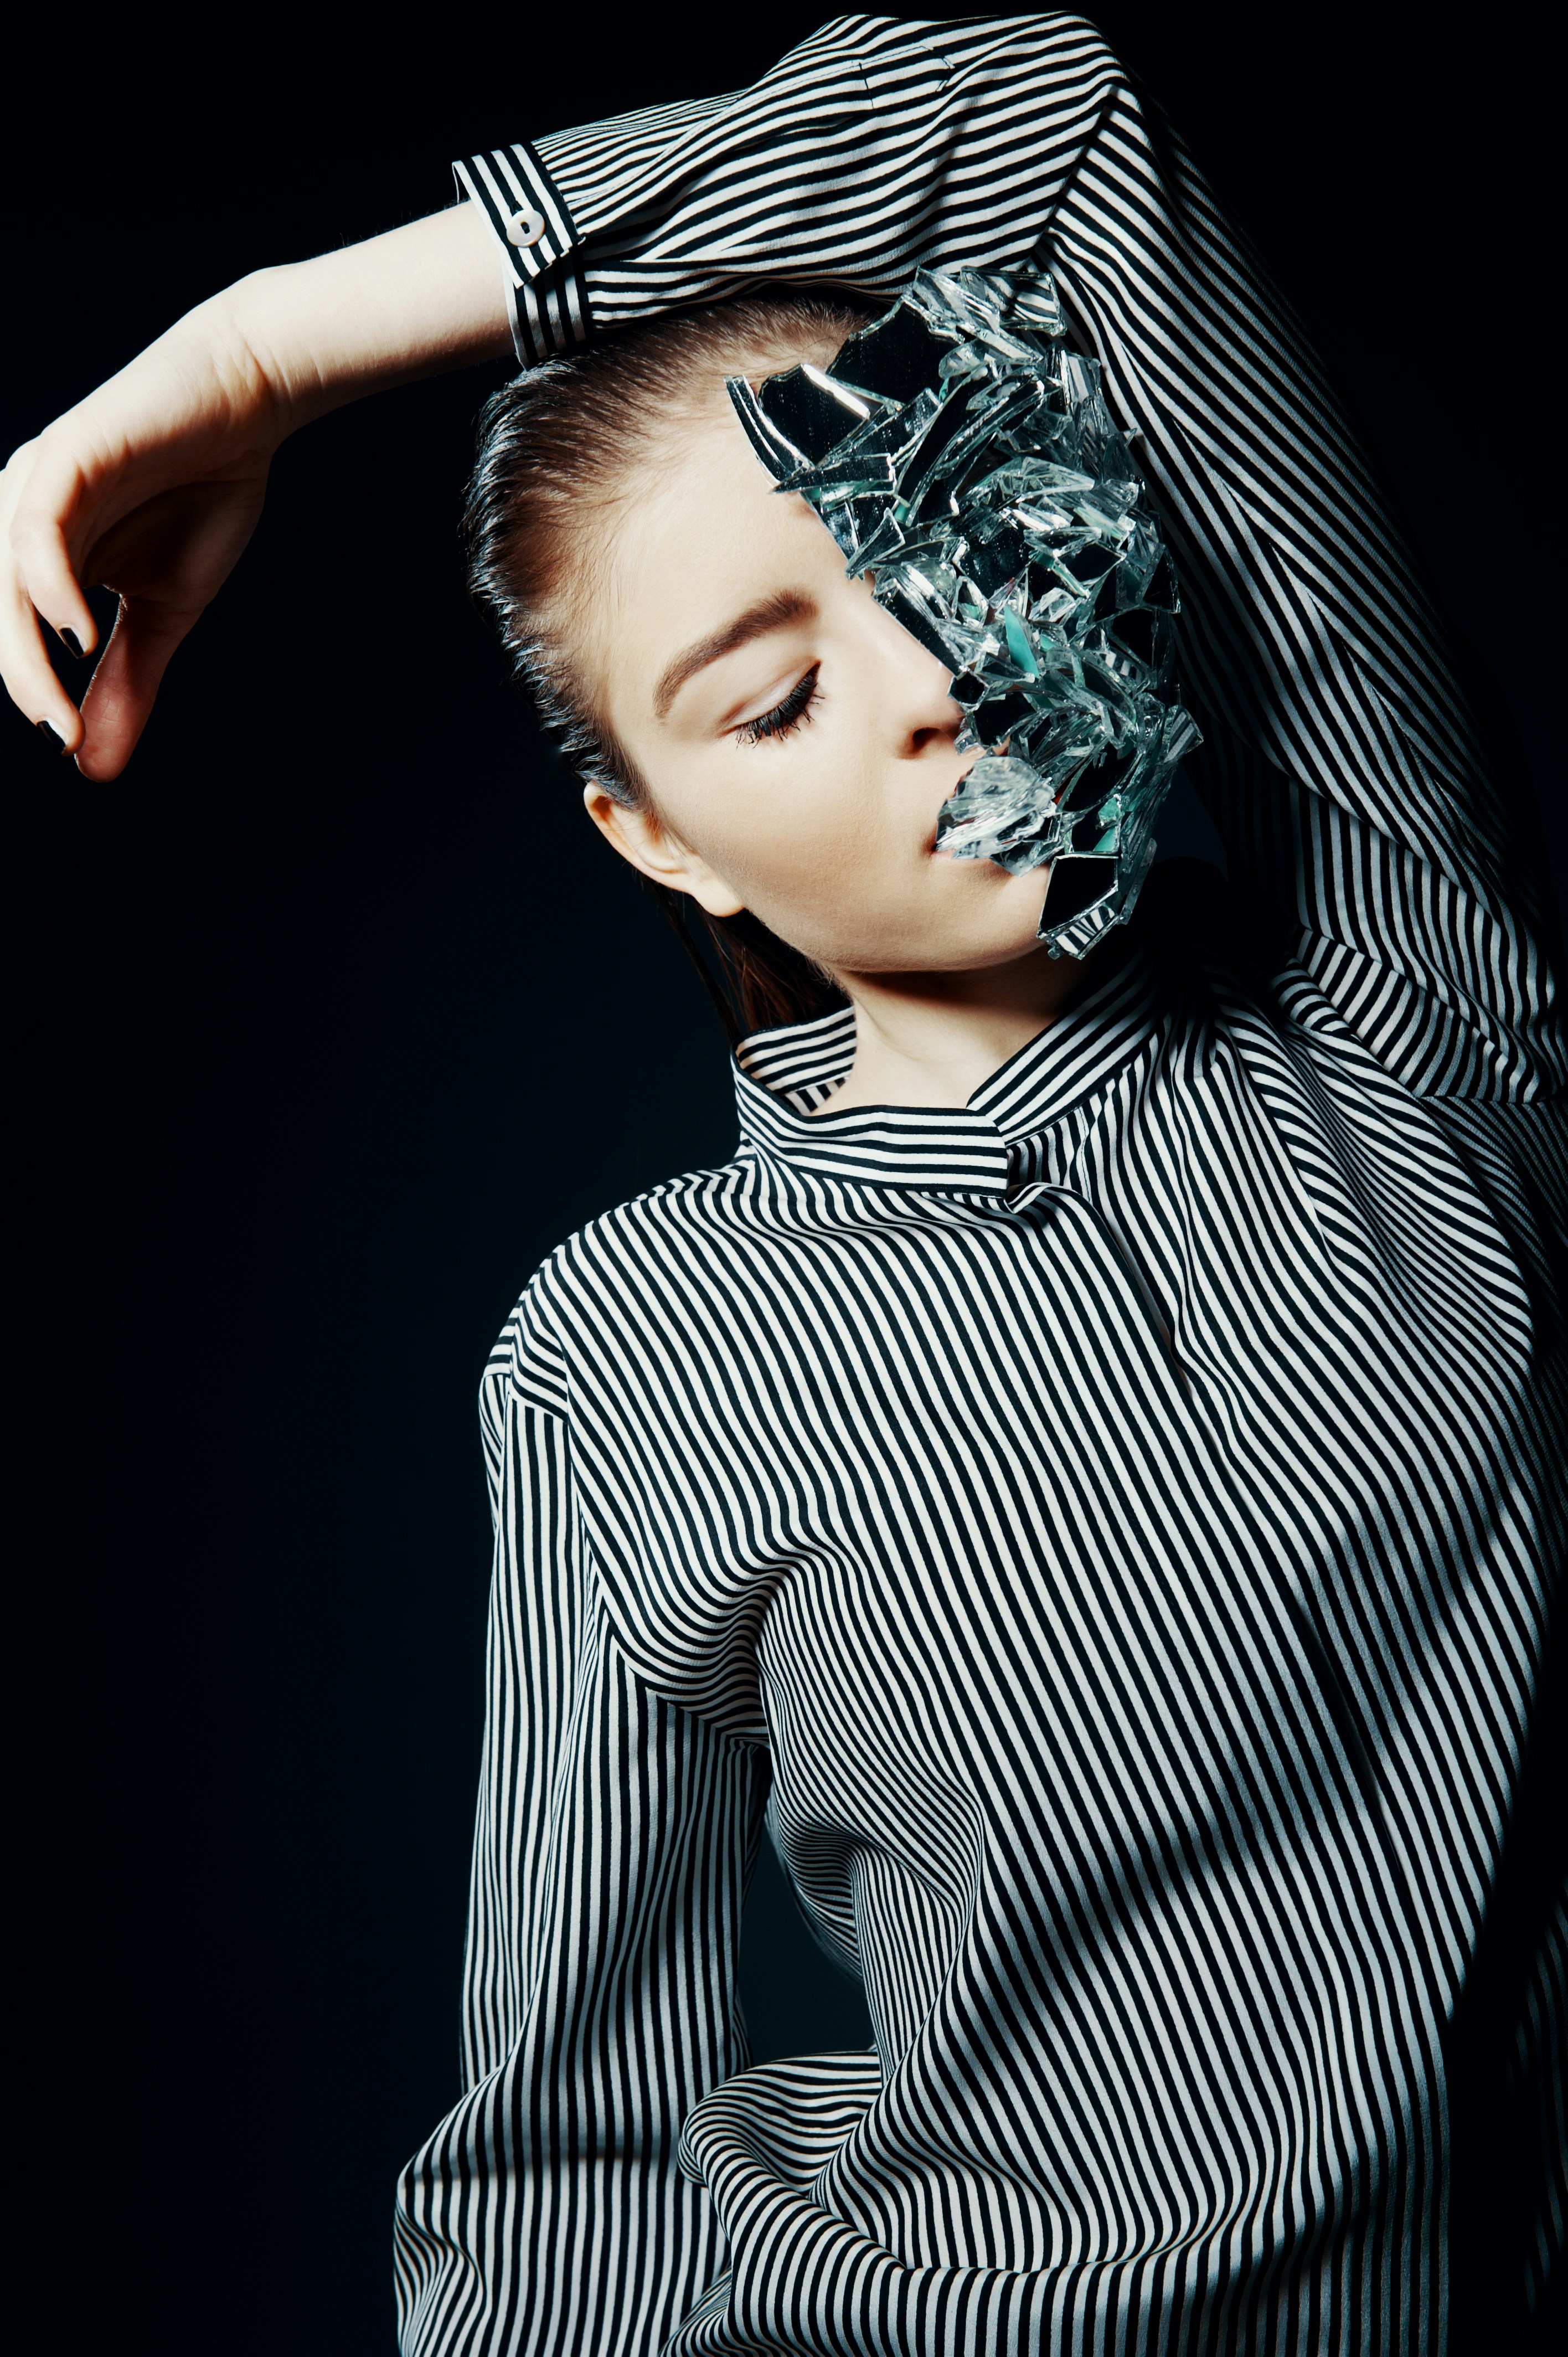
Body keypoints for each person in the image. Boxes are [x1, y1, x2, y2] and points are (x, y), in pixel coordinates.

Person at [3, 15, 1561, 2355]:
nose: (931, 674)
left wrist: (269, 350)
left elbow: (1043, 127)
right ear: (653, 830)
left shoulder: (1402, 993)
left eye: (940, 541)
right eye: (772, 690)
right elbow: (564, 2170)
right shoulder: (638, 1350)